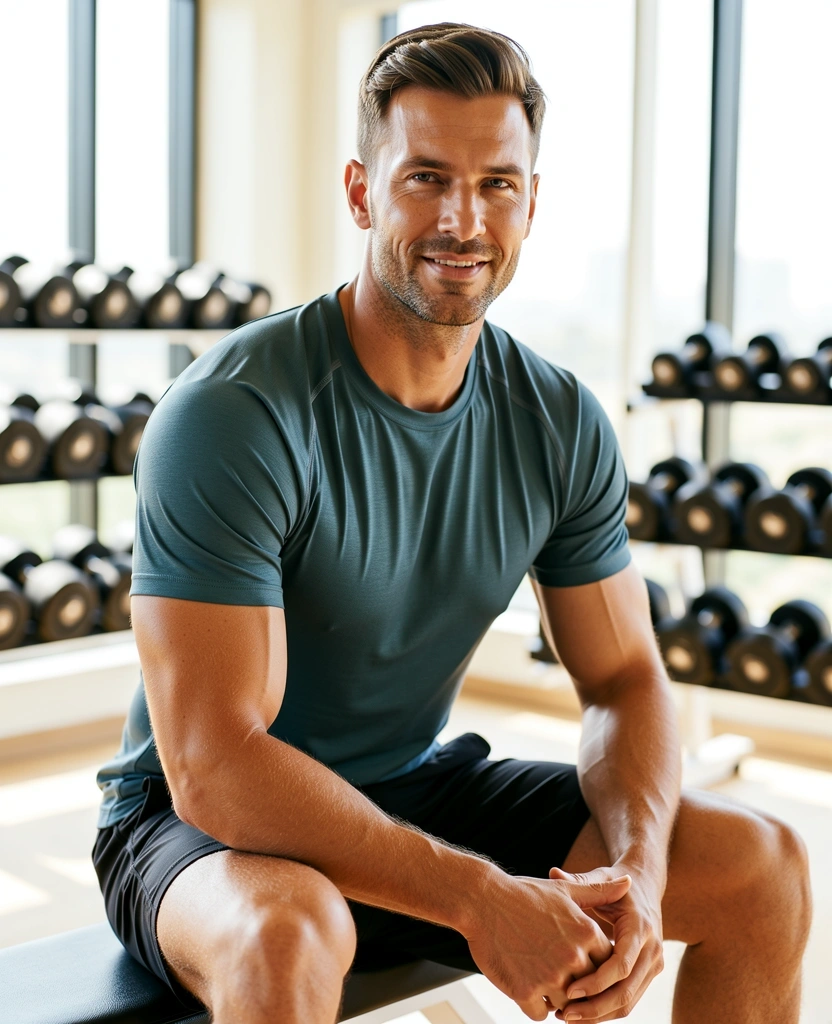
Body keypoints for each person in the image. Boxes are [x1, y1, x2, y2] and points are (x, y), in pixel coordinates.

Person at [93, 23, 811, 1024]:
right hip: (197, 831)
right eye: (425, 178)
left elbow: (622, 677)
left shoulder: (555, 419)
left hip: (407, 790)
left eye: (497, 184)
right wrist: (479, 898)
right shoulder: (237, 411)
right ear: (361, 192)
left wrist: (640, 872)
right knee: (288, 931)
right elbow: (215, 763)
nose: (463, 220)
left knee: (757, 867)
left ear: (530, 199)